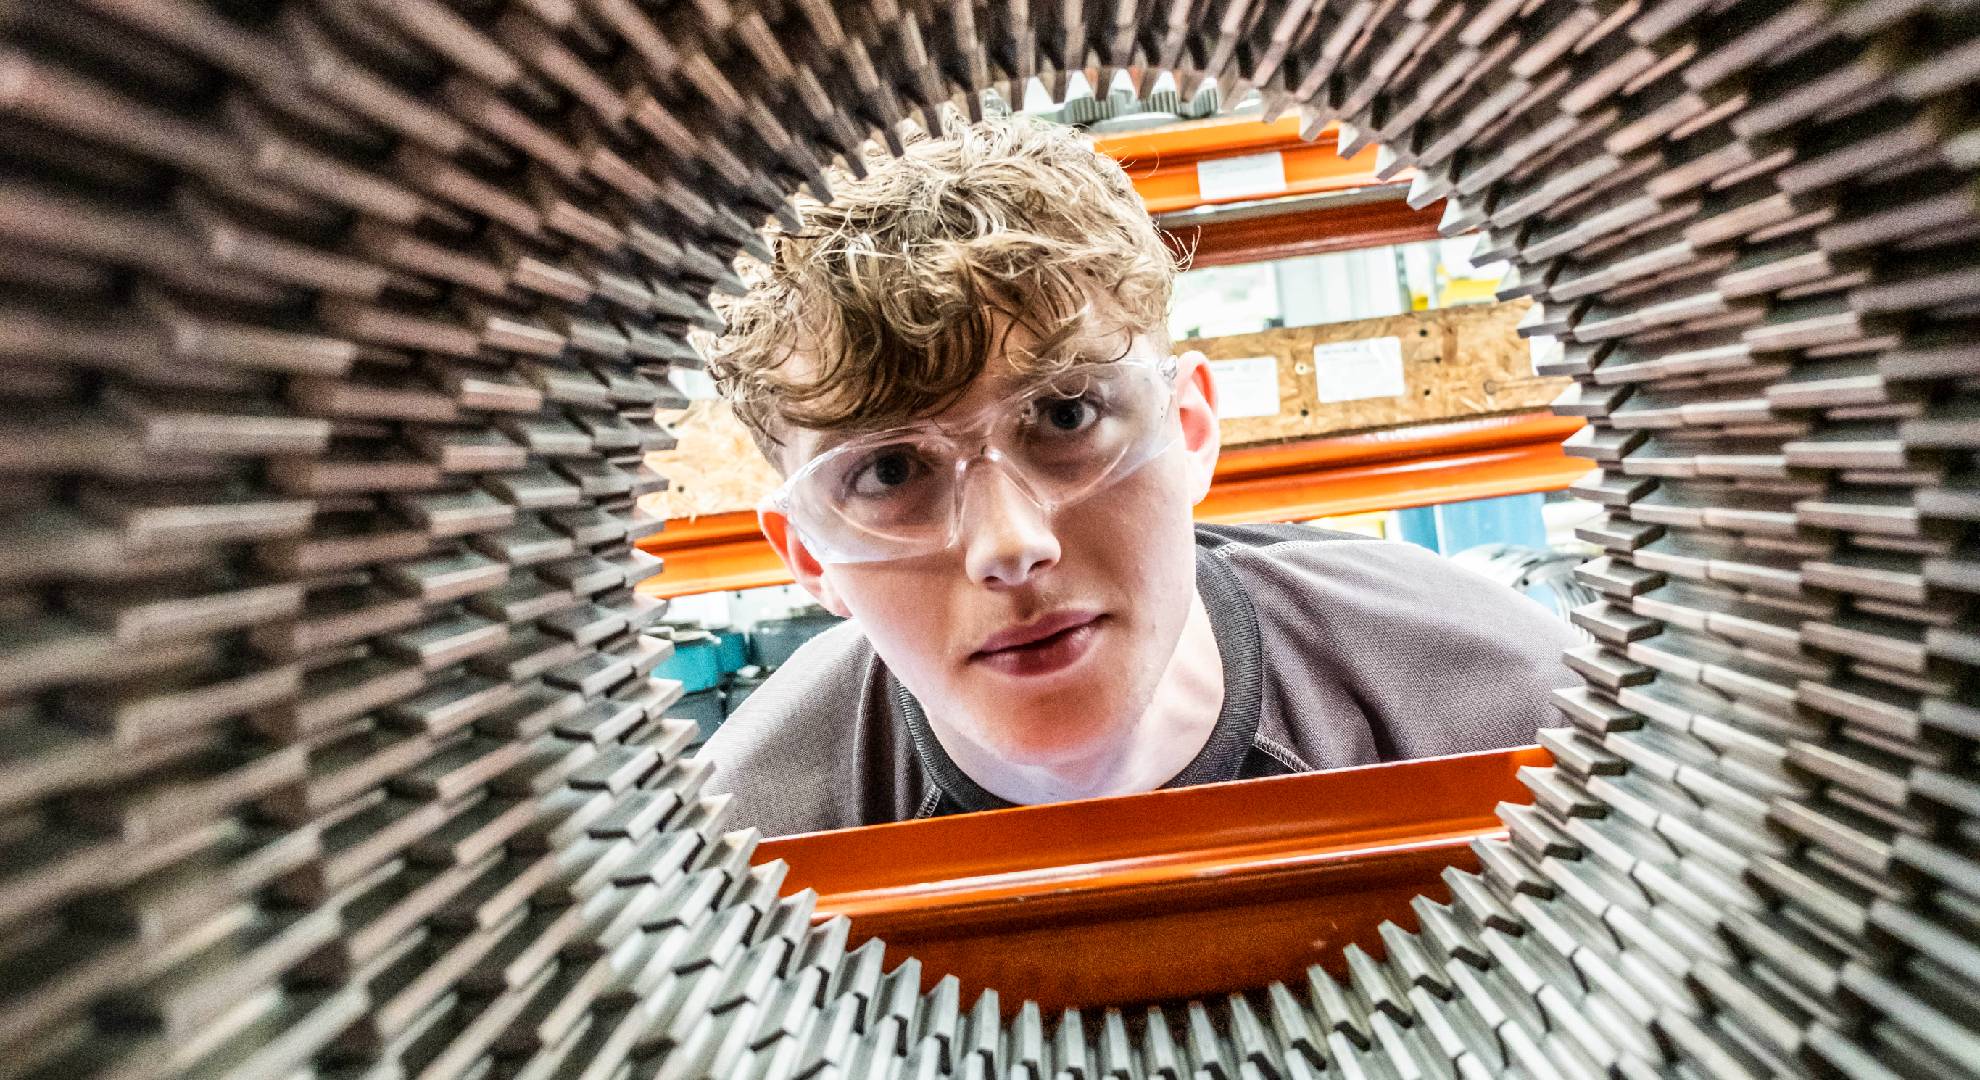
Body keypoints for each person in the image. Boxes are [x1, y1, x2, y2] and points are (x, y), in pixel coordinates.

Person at [697, 114, 1580, 838]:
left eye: (1066, 414)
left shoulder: (1506, 710)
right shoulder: (740, 849)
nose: (1010, 545)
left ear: (1190, 426)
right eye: (890, 472)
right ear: (808, 555)